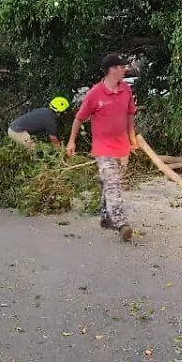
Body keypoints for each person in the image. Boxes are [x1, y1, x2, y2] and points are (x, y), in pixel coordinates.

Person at [67, 53, 138, 242]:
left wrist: (132, 138)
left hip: (122, 147)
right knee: (113, 183)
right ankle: (121, 223)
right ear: (112, 70)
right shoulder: (95, 93)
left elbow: (130, 114)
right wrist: (72, 141)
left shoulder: (126, 90)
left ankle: (106, 217)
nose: (124, 69)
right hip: (103, 148)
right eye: (121, 66)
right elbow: (79, 118)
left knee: (113, 182)